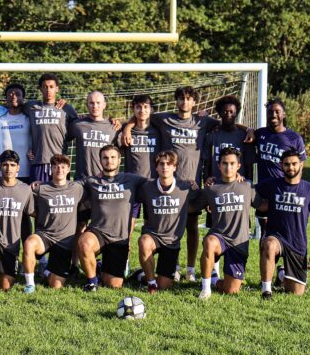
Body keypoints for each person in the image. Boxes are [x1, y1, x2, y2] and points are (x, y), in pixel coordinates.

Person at [122, 86, 251, 282]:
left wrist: (248, 129)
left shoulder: (202, 121)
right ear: (176, 101)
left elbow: (227, 122)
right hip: (165, 183)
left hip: (190, 184)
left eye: (189, 99)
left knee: (191, 225)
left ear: (195, 102)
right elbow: (142, 116)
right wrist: (128, 127)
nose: (185, 102)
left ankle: (190, 268)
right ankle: (156, 267)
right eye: (181, 99)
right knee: (155, 227)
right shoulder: (164, 119)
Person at [194, 147, 263, 299]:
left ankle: (214, 280)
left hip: (239, 243)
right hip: (219, 238)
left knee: (231, 290)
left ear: (239, 166)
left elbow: (262, 206)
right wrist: (189, 189)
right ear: (219, 165)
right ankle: (206, 290)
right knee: (209, 242)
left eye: (232, 163)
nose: (228, 167)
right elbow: (194, 206)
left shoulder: (247, 186)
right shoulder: (211, 188)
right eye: (225, 163)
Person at [77, 145, 147, 291]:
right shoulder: (91, 181)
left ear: (119, 160)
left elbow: (157, 184)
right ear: (100, 161)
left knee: (113, 285)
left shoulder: (132, 179)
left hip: (119, 238)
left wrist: (184, 184)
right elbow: (65, 186)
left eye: (113, 157)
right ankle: (92, 282)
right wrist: (40, 184)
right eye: (105, 158)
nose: (109, 161)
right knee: (84, 243)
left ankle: (134, 273)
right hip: (98, 232)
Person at [130, 151, 200, 293]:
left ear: (175, 167)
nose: (165, 167)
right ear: (156, 167)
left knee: (165, 285)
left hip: (171, 242)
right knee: (144, 241)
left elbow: (205, 197)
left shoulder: (185, 188)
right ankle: (151, 283)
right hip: (152, 236)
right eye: (161, 164)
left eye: (169, 164)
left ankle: (141, 275)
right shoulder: (146, 187)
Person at [257, 149, 310, 299]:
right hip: (276, 237)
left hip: (297, 243)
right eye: (286, 164)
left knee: (295, 292)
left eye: (294, 164)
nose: (290, 167)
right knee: (269, 244)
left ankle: (281, 273)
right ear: (281, 165)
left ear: (301, 164)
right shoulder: (272, 184)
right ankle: (266, 291)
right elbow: (249, 190)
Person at [22, 154, 85, 293]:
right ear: (51, 169)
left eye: (63, 167)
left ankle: (45, 271)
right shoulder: (40, 188)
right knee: (29, 243)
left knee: (56, 285)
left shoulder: (77, 188)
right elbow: (29, 208)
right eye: (55, 166)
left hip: (64, 241)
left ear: (69, 169)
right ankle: (30, 284)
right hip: (45, 235)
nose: (59, 170)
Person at [0, 150, 35, 295]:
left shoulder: (25, 189)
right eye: (5, 165)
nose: (8, 168)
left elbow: (31, 214)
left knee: (6, 285)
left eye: (12, 165)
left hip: (11, 243)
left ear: (18, 167)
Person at [253, 99, 307, 235]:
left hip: (283, 191)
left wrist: (294, 190)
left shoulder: (294, 138)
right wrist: (248, 129)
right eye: (270, 112)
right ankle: (265, 256)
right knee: (264, 232)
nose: (273, 115)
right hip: (264, 190)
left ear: (283, 115)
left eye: (277, 112)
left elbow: (300, 166)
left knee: (285, 230)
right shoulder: (260, 134)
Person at [24, 73, 78, 182]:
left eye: (51, 87)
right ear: (40, 89)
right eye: (45, 87)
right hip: (38, 161)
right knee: (38, 196)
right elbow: (13, 108)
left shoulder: (66, 108)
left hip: (60, 163)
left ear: (57, 89)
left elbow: (80, 124)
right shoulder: (31, 106)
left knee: (59, 197)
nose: (48, 90)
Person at [121, 94, 160, 244]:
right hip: (133, 186)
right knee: (128, 226)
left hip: (153, 185)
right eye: (138, 107)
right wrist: (127, 128)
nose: (142, 110)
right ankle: (125, 263)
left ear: (151, 109)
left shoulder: (158, 130)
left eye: (145, 107)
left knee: (152, 228)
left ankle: (148, 265)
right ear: (133, 109)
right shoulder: (126, 132)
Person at [202, 95, 254, 182]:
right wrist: (206, 179)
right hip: (217, 184)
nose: (228, 114)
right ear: (220, 113)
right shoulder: (212, 135)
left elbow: (249, 165)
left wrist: (248, 183)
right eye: (225, 111)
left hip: (239, 184)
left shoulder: (245, 136)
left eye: (231, 111)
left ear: (236, 113)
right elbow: (207, 163)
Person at [69, 91, 119, 180]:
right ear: (87, 105)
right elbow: (57, 135)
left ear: (104, 105)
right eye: (91, 103)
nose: (95, 106)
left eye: (98, 103)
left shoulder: (114, 127)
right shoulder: (77, 125)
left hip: (105, 180)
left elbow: (122, 152)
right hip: (81, 181)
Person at [0, 83, 33, 183]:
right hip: (3, 171)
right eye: (10, 94)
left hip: (25, 171)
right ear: (6, 98)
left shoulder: (29, 119)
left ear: (23, 98)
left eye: (17, 94)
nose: (13, 96)